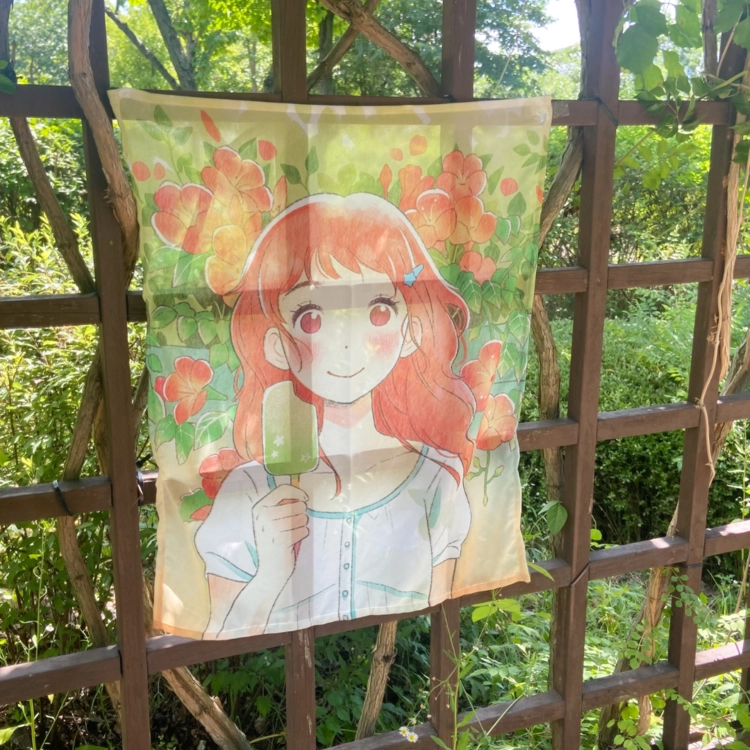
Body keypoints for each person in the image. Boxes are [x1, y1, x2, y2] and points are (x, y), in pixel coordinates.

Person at [194, 192, 476, 638]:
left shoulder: (435, 480)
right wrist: (270, 574)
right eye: (311, 317)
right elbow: (214, 633)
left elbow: (440, 605)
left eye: (378, 311)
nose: (346, 340)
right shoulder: (251, 491)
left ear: (411, 332)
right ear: (277, 344)